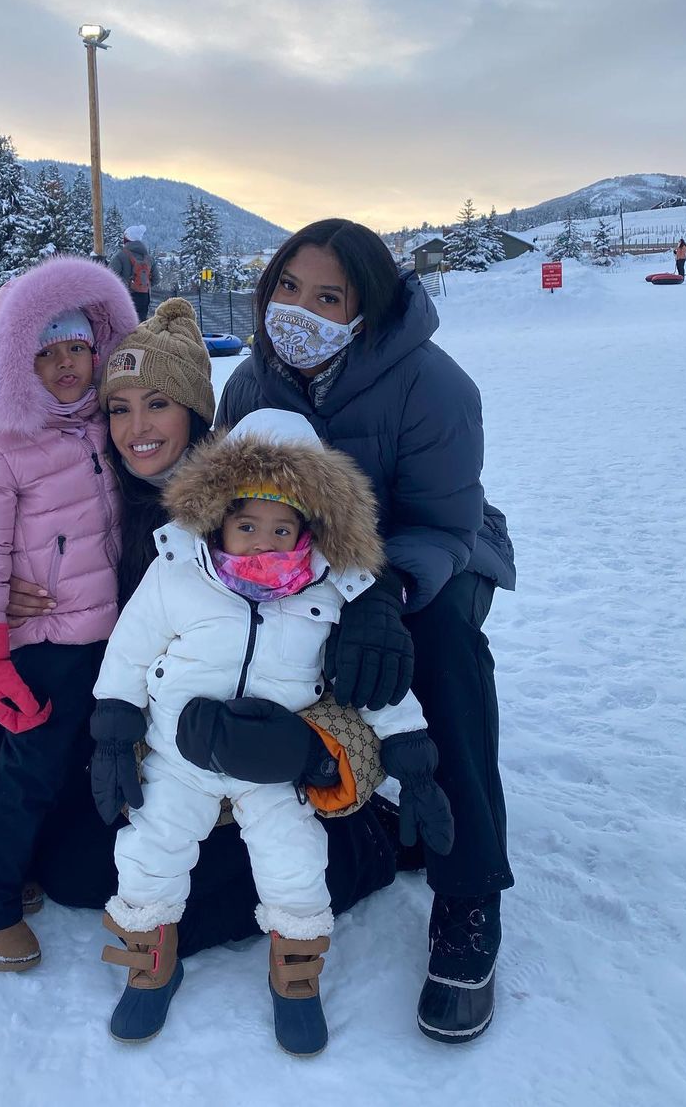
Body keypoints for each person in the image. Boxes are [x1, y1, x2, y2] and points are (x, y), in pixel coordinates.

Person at [0, 299, 410, 967]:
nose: (136, 429)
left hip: (249, 741)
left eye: (159, 404)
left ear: (195, 411)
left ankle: (357, 846)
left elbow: (336, 543)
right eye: (118, 409)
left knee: (209, 881)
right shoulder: (93, 486)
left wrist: (377, 601)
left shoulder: (240, 492)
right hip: (130, 738)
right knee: (72, 868)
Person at [217, 218, 517, 1045]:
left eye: (326, 297)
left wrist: (383, 590)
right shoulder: (252, 387)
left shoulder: (433, 386)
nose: (297, 310)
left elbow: (448, 524)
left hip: (430, 563)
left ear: (365, 311)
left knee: (445, 652)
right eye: (286, 287)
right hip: (305, 568)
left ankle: (469, 894)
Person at [90, 408, 453, 1053]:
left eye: (281, 528)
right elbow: (130, 648)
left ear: (309, 530)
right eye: (246, 524)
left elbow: (376, 690)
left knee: (295, 865)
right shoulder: (177, 570)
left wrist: (412, 755)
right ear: (218, 517)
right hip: (180, 756)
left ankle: (296, 977)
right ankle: (151, 962)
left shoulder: (329, 594)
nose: (262, 541)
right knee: (148, 853)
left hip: (278, 765)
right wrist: (115, 727)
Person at [0, 255, 137, 971]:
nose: (65, 367)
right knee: (25, 769)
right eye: (43, 354)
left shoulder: (105, 427)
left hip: (99, 635)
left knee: (49, 769)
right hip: (42, 639)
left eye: (77, 348)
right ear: (13, 365)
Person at [109, 223, 159, 320]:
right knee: (141, 326)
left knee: (126, 327)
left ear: (126, 239)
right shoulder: (149, 258)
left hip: (126, 297)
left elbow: (110, 277)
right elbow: (156, 279)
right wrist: (143, 284)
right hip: (144, 297)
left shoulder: (120, 256)